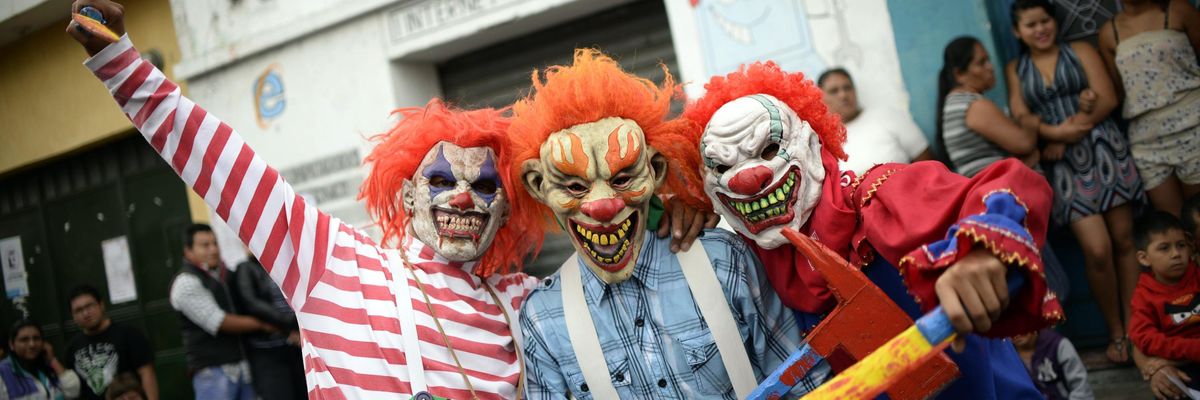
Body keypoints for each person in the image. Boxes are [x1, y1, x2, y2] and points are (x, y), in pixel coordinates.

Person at [66, 2, 712, 398]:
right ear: (404, 191)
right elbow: (223, 164)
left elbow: (624, 276)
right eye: (441, 180)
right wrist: (124, 65)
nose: (463, 194)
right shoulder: (329, 263)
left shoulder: (531, 302)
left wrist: (683, 205)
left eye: (486, 185)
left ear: (509, 206)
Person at [683, 60, 1058, 398]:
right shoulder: (753, 260)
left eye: (768, 149)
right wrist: (677, 209)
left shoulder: (878, 197)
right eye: (723, 165)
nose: (750, 178)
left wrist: (982, 248)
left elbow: (1010, 185)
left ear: (812, 143)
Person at [512, 49, 823, 399]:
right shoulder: (544, 316)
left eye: (622, 179)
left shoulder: (722, 260)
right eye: (574, 187)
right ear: (539, 186)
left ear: (655, 171)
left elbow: (803, 383)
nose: (601, 206)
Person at [1006, 0, 1144, 364]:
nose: (1040, 29)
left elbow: (1109, 97)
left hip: (1103, 150)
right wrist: (1058, 131)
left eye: (1045, 20)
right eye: (1031, 24)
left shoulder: (1080, 49)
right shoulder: (1016, 69)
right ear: (1017, 31)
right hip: (1066, 168)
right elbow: (1022, 119)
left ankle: (1135, 333)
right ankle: (1114, 330)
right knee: (1096, 250)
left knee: (1125, 240)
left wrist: (1060, 134)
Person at [1098, 0, 1200, 217]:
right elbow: (1119, 90)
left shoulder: (1177, 10)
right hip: (1147, 140)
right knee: (1171, 224)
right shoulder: (1109, 32)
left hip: (1193, 126)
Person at [172, 224, 273, 400]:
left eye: (215, 243)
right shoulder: (185, 282)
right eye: (205, 245)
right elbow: (220, 322)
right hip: (212, 372)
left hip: (242, 366)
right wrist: (266, 324)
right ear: (188, 251)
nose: (213, 249)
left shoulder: (222, 274)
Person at [936, 36, 1040, 176]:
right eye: (981, 63)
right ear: (959, 74)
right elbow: (1024, 143)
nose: (990, 67)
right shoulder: (974, 105)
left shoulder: (955, 102)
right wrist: (1030, 123)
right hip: (1000, 191)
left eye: (988, 60)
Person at [1130, 211, 1200, 399]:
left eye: (1181, 246)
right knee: (1169, 389)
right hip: (1180, 366)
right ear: (1144, 258)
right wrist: (1190, 351)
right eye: (1164, 248)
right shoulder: (1144, 295)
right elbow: (1144, 338)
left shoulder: (1197, 276)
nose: (1176, 254)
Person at [817, 68, 931, 175]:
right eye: (833, 91)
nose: (843, 95)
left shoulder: (887, 116)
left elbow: (927, 162)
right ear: (821, 98)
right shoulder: (822, 142)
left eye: (847, 88)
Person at [63, 285, 158, 400]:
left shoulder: (129, 335)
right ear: (73, 316)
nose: (85, 313)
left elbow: (147, 374)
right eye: (78, 310)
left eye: (89, 306)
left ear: (101, 305)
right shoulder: (72, 348)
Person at [231, 257, 304, 400]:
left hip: (296, 348)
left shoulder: (286, 264)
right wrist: (290, 325)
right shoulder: (246, 268)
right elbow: (252, 304)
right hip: (269, 352)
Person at [0, 320, 81, 399]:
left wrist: (52, 360)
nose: (32, 344)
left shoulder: (47, 367)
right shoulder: (3, 373)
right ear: (11, 344)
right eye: (24, 339)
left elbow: (73, 391)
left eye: (36, 338)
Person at [1012, 328, 1094, 400]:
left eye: (1021, 325)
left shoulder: (1058, 345)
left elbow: (1081, 388)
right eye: (1009, 327)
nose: (1016, 333)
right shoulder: (1007, 354)